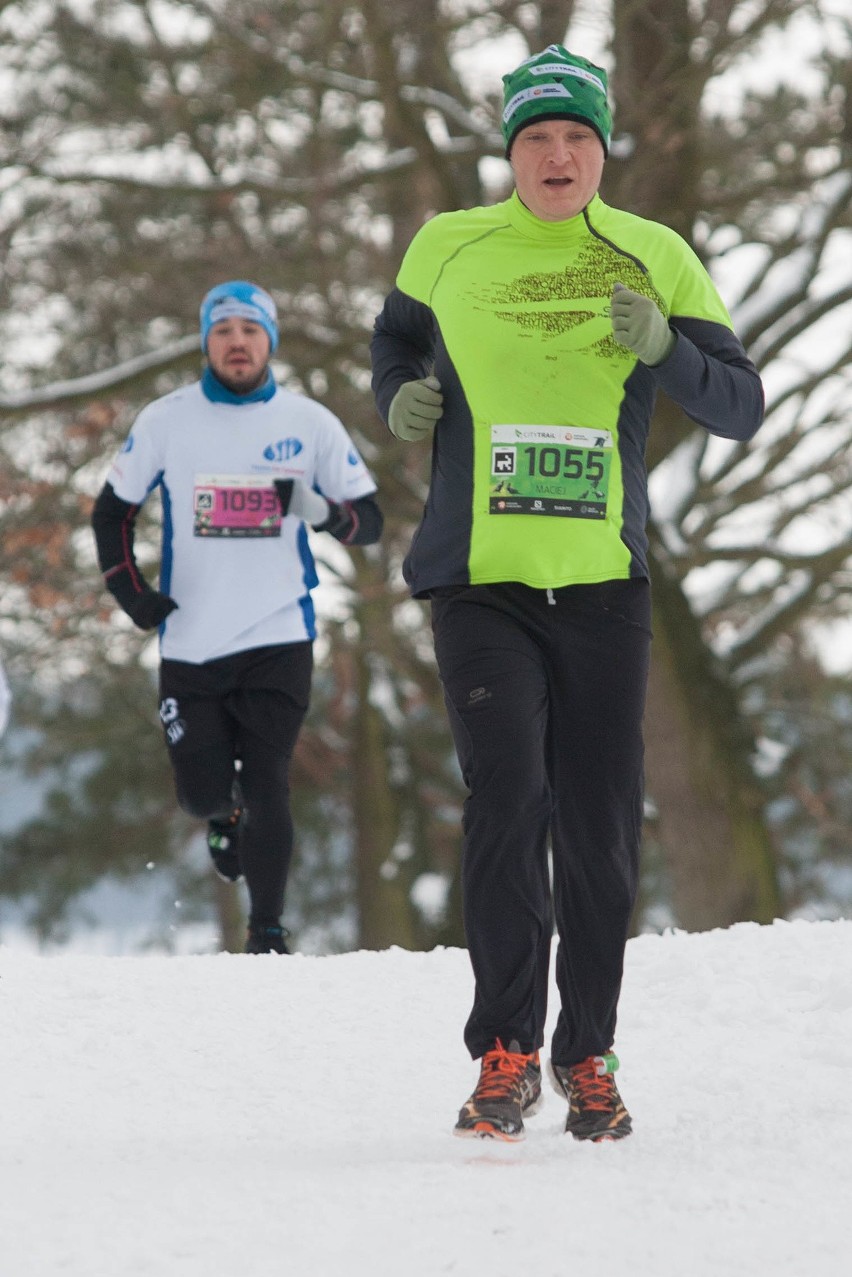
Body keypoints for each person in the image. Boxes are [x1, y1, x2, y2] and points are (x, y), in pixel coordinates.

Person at [371, 46, 763, 1140]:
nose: (557, 155)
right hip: (478, 581)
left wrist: (667, 353)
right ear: (510, 151)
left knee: (597, 830)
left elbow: (741, 403)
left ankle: (587, 1053)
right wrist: (400, 391)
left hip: (601, 585)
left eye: (577, 137)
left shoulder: (656, 252)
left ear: (602, 150)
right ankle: (504, 1050)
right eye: (537, 137)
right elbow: (394, 338)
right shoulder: (449, 246)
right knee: (508, 801)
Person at [93, 280, 382, 954]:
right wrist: (133, 596)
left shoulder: (310, 425)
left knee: (269, 781)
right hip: (191, 641)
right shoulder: (168, 420)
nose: (237, 342)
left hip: (279, 632)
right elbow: (111, 513)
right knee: (200, 793)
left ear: (270, 342)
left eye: (251, 330)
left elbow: (370, 520)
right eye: (223, 330)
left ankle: (268, 929)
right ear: (206, 342)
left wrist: (323, 512)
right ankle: (220, 815)